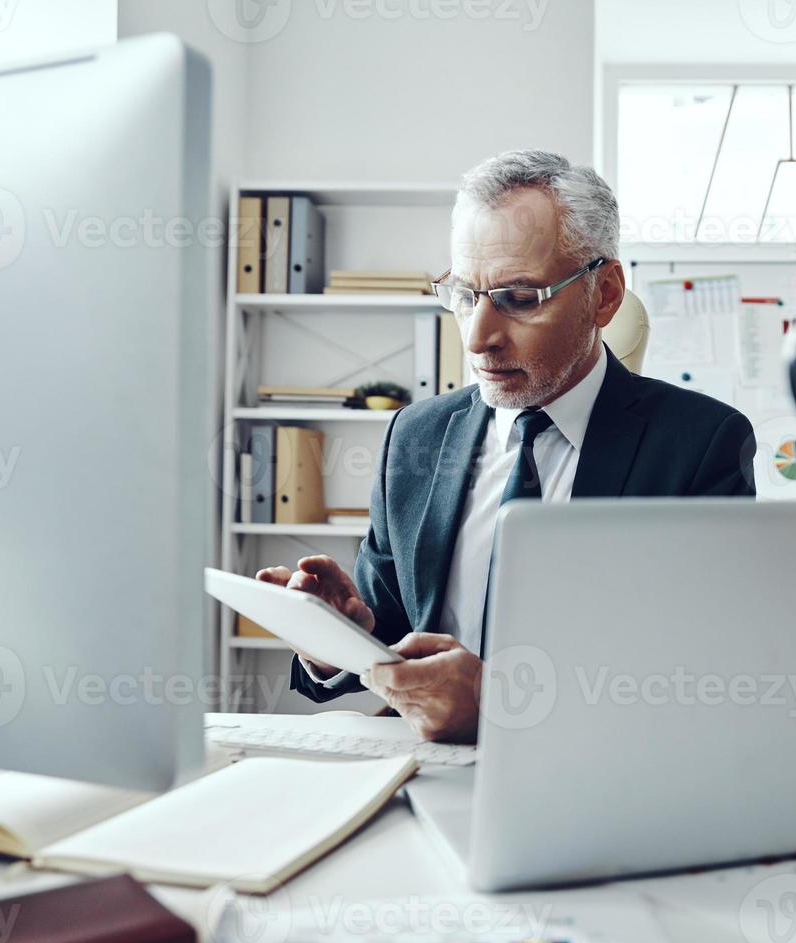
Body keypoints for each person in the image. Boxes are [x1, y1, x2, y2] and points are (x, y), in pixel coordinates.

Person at [257, 149, 755, 743]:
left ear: (604, 294)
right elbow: (393, 631)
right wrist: (339, 640)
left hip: (594, 775)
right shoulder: (415, 437)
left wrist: (498, 703)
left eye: (520, 299)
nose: (478, 337)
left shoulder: (701, 444)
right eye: (465, 295)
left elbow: (708, 675)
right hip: (418, 767)